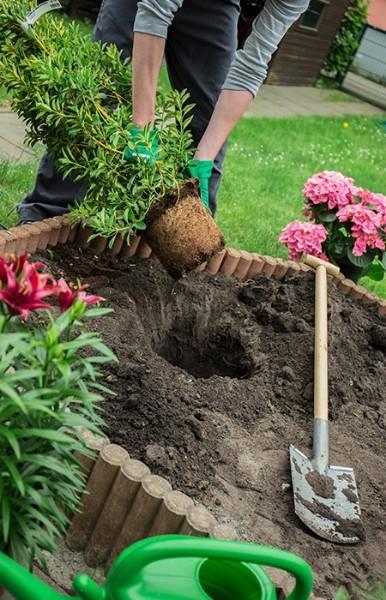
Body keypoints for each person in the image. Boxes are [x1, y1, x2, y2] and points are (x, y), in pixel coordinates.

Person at [18, 0, 310, 222]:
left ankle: (179, 242)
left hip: (219, 5)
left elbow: (252, 65)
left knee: (208, 126)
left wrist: (204, 158)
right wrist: (142, 130)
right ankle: (45, 217)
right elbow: (156, 9)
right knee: (101, 92)